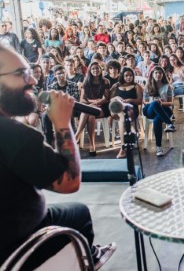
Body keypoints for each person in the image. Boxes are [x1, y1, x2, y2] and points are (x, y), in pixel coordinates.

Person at [0, 45, 116, 269]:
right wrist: (62, 121)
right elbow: (69, 181)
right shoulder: (11, 135)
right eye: (22, 74)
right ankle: (87, 259)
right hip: (19, 247)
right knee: (79, 213)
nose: (33, 81)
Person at [74, 62, 111, 156]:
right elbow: (82, 99)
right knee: (90, 114)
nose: (95, 70)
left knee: (88, 111)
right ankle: (92, 145)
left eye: (97, 68)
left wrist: (96, 103)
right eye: (93, 68)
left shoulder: (105, 81)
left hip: (102, 107)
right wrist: (92, 103)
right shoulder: (86, 82)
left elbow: (107, 98)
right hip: (89, 106)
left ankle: (76, 136)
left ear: (100, 69)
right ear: (90, 70)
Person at [142, 66, 176, 157]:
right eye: (156, 73)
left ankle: (158, 147)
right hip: (149, 110)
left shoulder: (167, 86)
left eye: (160, 73)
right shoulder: (147, 85)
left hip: (163, 109)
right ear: (152, 74)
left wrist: (161, 103)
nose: (158, 75)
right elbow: (144, 101)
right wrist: (154, 103)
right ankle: (169, 124)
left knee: (157, 120)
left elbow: (171, 102)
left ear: (163, 75)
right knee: (154, 103)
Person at [110, 67, 143, 158]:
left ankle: (123, 148)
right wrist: (117, 98)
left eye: (130, 75)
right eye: (126, 75)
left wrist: (130, 100)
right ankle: (133, 131)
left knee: (123, 116)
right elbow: (110, 98)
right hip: (116, 110)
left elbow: (139, 101)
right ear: (122, 76)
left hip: (131, 110)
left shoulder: (137, 86)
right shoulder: (117, 86)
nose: (128, 77)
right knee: (121, 114)